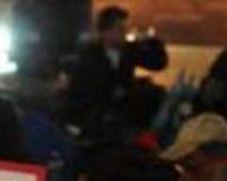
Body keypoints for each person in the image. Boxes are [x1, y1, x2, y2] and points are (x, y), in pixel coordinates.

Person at [62, 5, 168, 138]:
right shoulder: (90, 55)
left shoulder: (128, 50)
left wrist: (152, 41)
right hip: (98, 115)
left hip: (123, 111)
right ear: (106, 31)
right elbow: (83, 92)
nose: (124, 33)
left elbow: (158, 64)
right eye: (120, 29)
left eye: (125, 29)